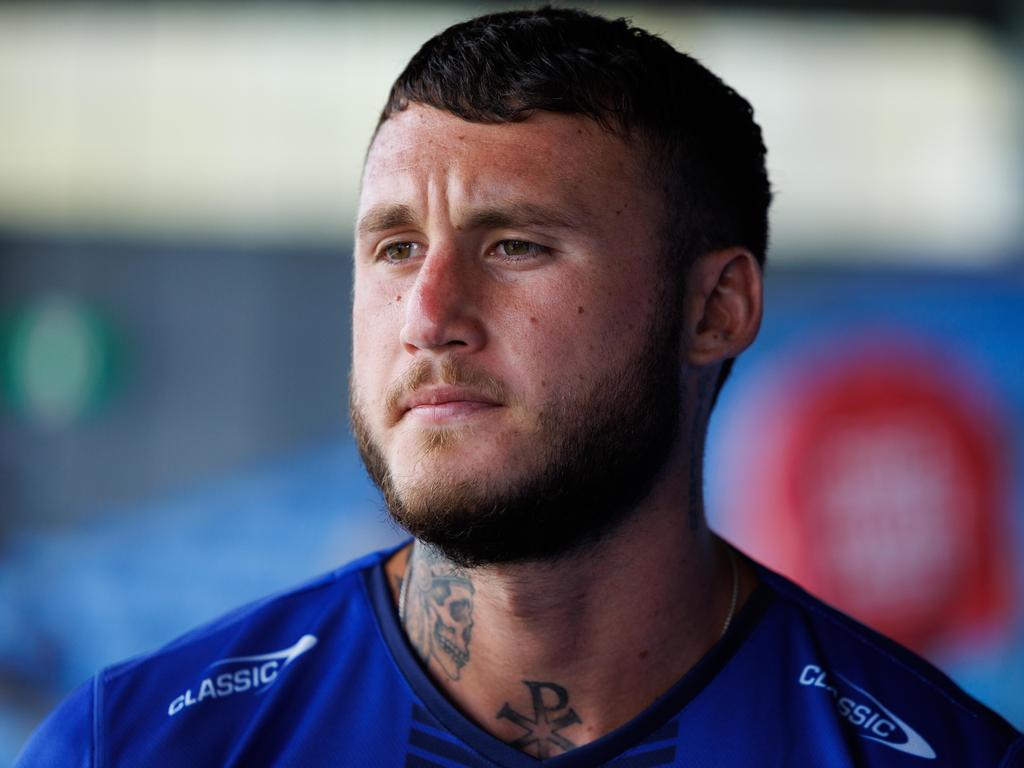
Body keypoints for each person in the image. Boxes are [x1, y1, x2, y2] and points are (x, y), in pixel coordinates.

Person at [17, 7, 1023, 767]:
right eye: (396, 248)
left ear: (715, 309)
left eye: (517, 245)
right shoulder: (138, 745)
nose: (428, 313)